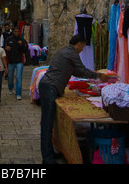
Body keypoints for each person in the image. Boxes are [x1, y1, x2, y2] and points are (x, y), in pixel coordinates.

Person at [38, 34, 109, 164]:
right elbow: (81, 69)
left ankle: (49, 153)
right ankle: (47, 159)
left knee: (49, 124)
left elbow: (76, 71)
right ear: (80, 43)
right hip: (50, 87)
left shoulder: (67, 51)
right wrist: (98, 75)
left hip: (49, 86)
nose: (83, 49)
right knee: (47, 125)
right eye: (83, 46)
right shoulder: (71, 53)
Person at [5, 26, 28, 100]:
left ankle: (18, 93)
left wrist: (21, 45)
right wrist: (6, 48)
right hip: (11, 61)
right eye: (15, 31)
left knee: (18, 77)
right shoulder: (9, 39)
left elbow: (25, 50)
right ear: (13, 32)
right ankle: (10, 88)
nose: (17, 33)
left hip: (19, 62)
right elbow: (4, 47)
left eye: (18, 32)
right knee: (10, 77)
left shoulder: (22, 40)